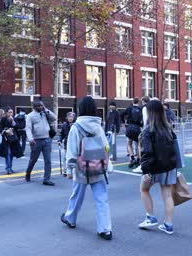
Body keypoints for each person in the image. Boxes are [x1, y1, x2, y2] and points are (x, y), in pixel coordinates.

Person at [60, 96, 113, 240]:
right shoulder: (98, 126)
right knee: (102, 198)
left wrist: (69, 170)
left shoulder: (76, 127)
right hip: (98, 167)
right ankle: (105, 229)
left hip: (81, 168)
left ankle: (70, 218)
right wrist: (108, 166)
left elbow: (71, 150)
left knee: (77, 196)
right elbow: (106, 147)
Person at [138, 100, 177, 235]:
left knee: (144, 189)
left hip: (155, 167)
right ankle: (168, 224)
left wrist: (145, 169)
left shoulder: (148, 130)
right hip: (170, 166)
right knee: (167, 194)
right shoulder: (168, 128)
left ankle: (150, 217)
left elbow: (147, 152)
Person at [25, 100, 56, 186]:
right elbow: (28, 128)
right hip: (36, 141)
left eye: (42, 106)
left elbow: (54, 118)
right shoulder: (30, 116)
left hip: (46, 140)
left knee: (48, 161)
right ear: (34, 107)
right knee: (33, 160)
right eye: (39, 106)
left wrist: (46, 110)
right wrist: (30, 139)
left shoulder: (45, 113)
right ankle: (28, 173)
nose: (41, 107)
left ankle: (46, 179)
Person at [122, 97, 143, 168]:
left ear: (132, 102)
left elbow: (121, 114)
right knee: (138, 145)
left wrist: (124, 122)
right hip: (137, 128)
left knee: (129, 144)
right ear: (139, 102)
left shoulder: (129, 108)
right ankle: (139, 159)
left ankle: (132, 157)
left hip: (130, 127)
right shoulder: (140, 109)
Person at [0, 107, 18, 174]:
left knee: (12, 154)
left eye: (12, 112)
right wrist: (5, 131)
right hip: (6, 139)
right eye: (9, 112)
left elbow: (17, 126)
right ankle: (8, 168)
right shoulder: (3, 119)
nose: (11, 113)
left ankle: (10, 167)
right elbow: (0, 128)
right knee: (8, 153)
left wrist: (12, 121)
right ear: (6, 113)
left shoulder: (14, 119)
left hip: (13, 139)